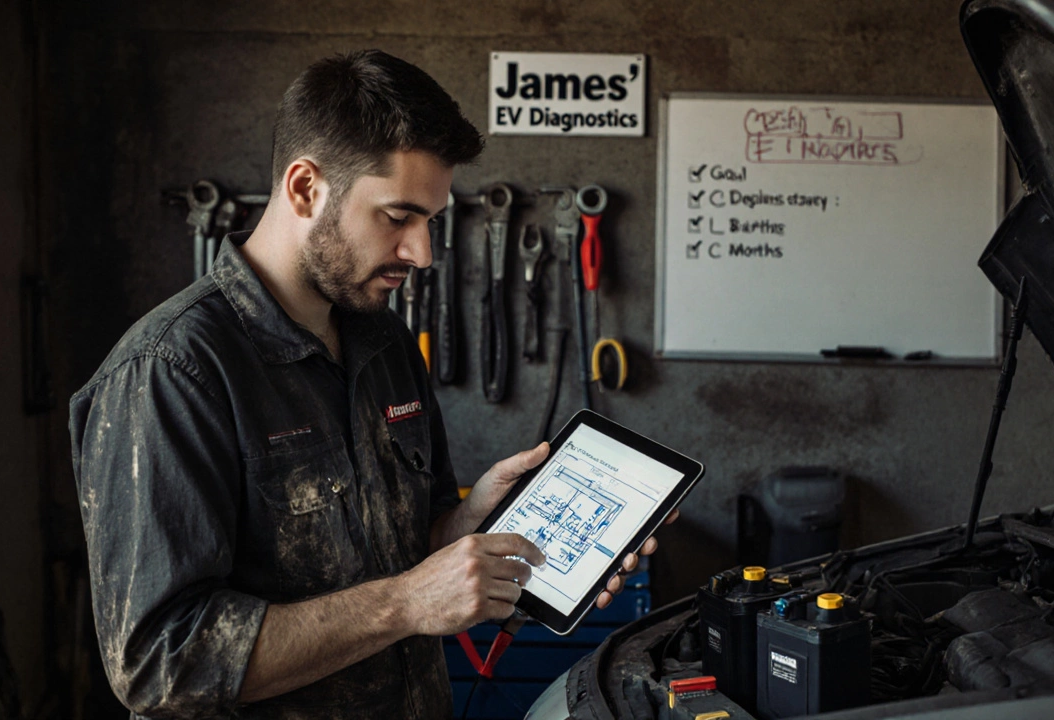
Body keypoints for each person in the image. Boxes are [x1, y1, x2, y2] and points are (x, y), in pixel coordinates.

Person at [69, 49, 675, 719]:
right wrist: (408, 602)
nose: (422, 254)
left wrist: (472, 526)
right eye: (397, 217)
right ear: (305, 188)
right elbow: (159, 662)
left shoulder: (383, 344)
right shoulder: (171, 371)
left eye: (431, 222)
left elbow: (404, 553)